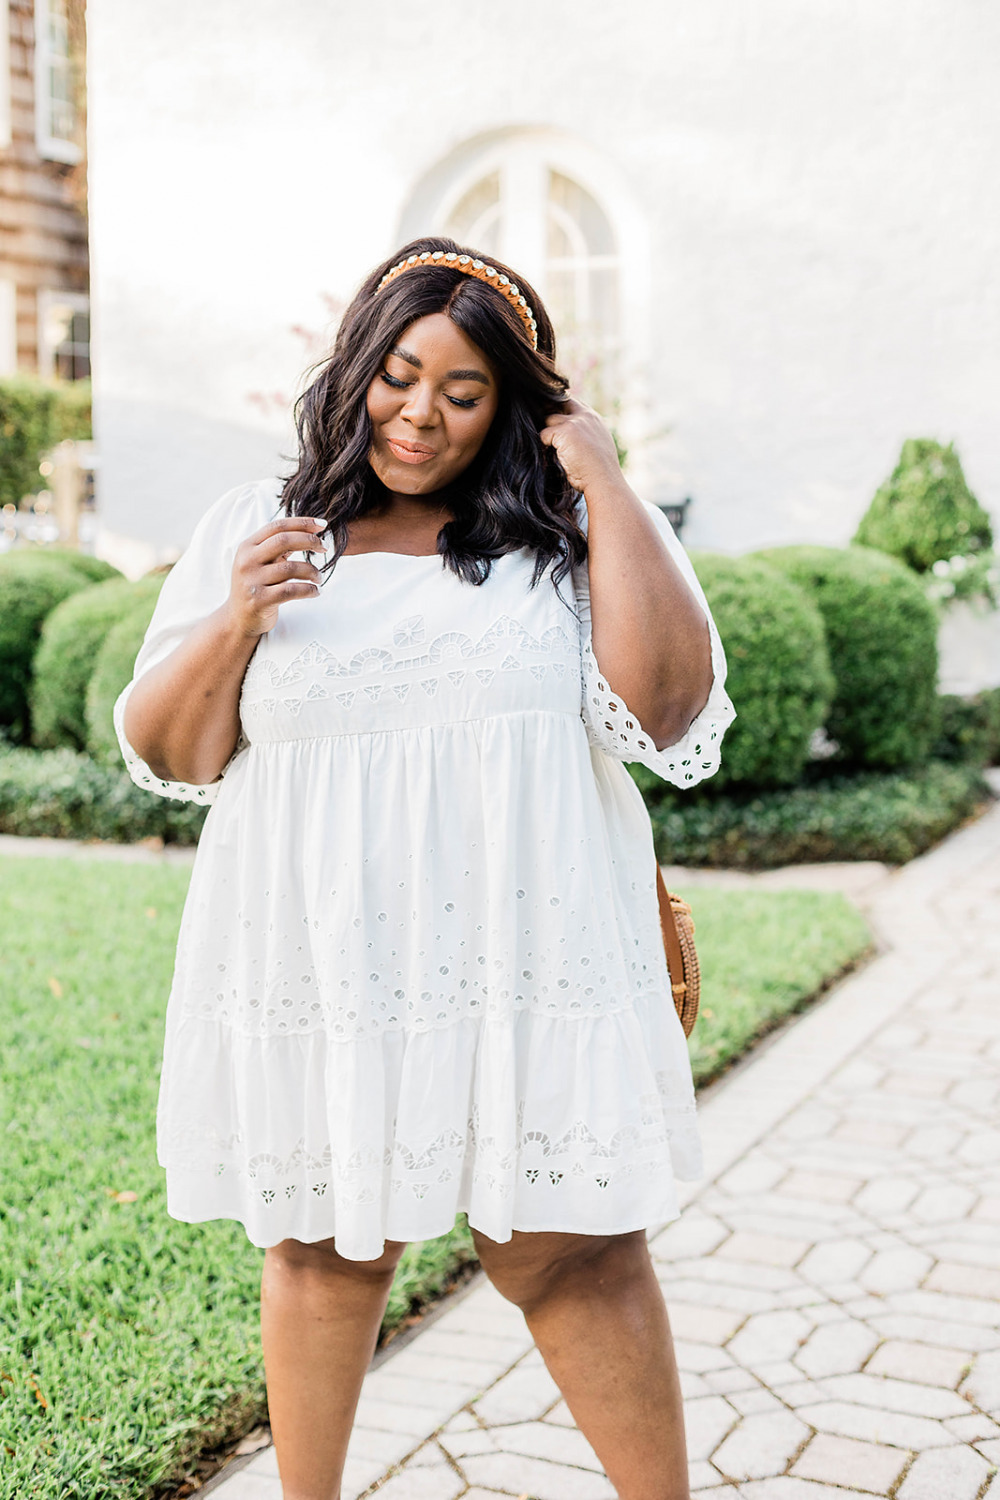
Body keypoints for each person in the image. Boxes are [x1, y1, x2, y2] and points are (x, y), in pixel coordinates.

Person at [117, 236, 735, 1500]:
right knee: (324, 1257)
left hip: (522, 968)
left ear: (514, 404)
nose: (421, 414)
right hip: (325, 971)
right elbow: (174, 751)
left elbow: (667, 714)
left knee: (574, 1254)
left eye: (464, 392)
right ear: (355, 368)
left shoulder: (562, 540)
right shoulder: (258, 524)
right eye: (400, 375)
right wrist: (236, 617)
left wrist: (605, 478)